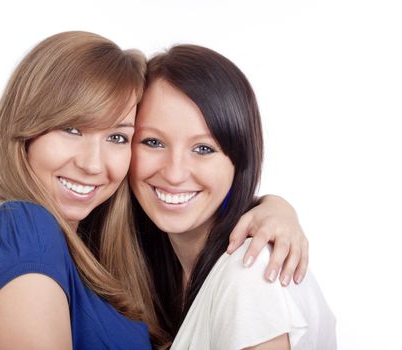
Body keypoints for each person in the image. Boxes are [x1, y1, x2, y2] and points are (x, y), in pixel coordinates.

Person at [0, 32, 310, 349]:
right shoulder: (22, 226)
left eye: (117, 137)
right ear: (24, 128)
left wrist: (271, 206)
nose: (93, 164)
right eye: (72, 129)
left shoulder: (103, 249)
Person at [130, 45, 336, 349]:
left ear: (239, 159)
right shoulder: (158, 263)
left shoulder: (250, 274)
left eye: (203, 149)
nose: (174, 174)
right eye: (152, 142)